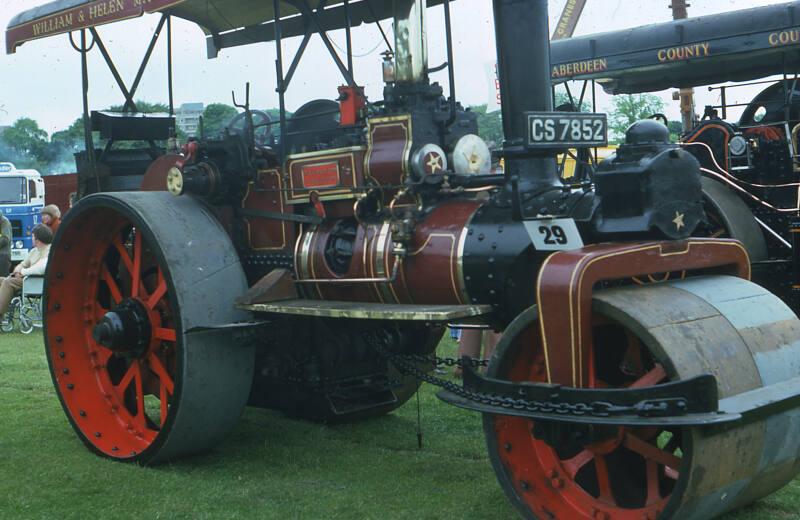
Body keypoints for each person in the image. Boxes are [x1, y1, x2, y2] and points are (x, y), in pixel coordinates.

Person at [0, 225, 52, 321]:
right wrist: (18, 270)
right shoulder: (33, 251)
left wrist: (23, 272)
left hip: (37, 282)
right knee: (1, 280)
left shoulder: (50, 251)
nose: (31, 239)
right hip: (26, 280)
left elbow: (41, 268)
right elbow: (23, 264)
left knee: (8, 282)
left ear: (38, 240)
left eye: (32, 236)